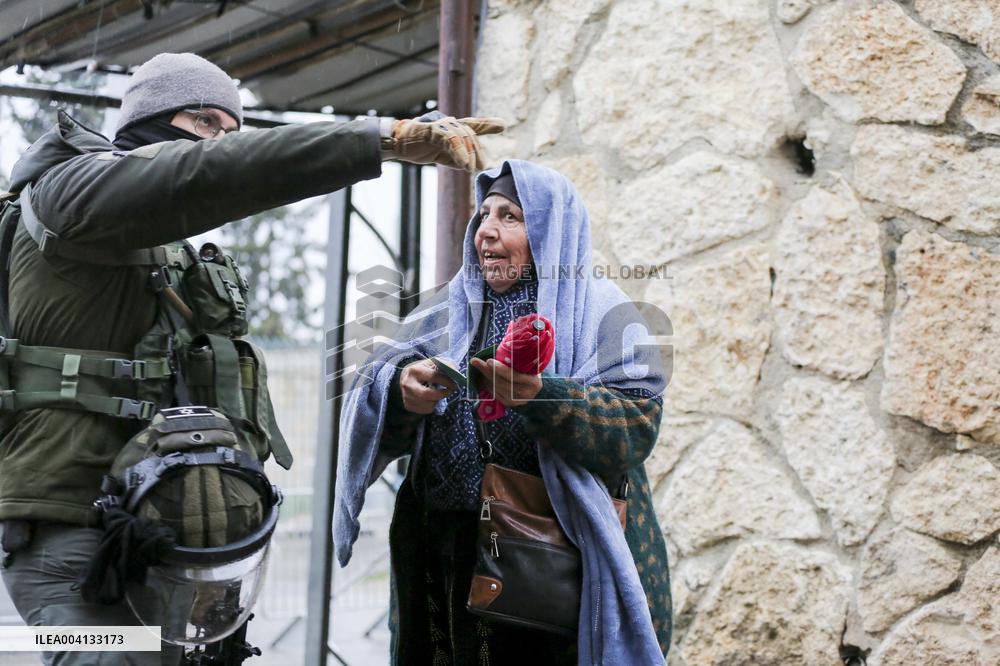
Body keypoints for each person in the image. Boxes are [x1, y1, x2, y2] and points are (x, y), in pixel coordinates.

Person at [0, 51, 502, 666]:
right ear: (147, 123)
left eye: (231, 130)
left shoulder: (155, 247)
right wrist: (380, 140)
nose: (219, 142)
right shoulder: (72, 193)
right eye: (206, 122)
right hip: (73, 544)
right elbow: (203, 174)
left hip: (169, 538)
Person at [336, 160, 672, 664]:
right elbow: (380, 380)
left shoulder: (607, 313)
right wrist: (400, 388)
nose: (485, 231)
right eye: (484, 214)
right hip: (438, 553)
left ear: (551, 232)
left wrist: (543, 396)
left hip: (543, 556)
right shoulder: (443, 311)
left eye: (510, 216)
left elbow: (635, 426)